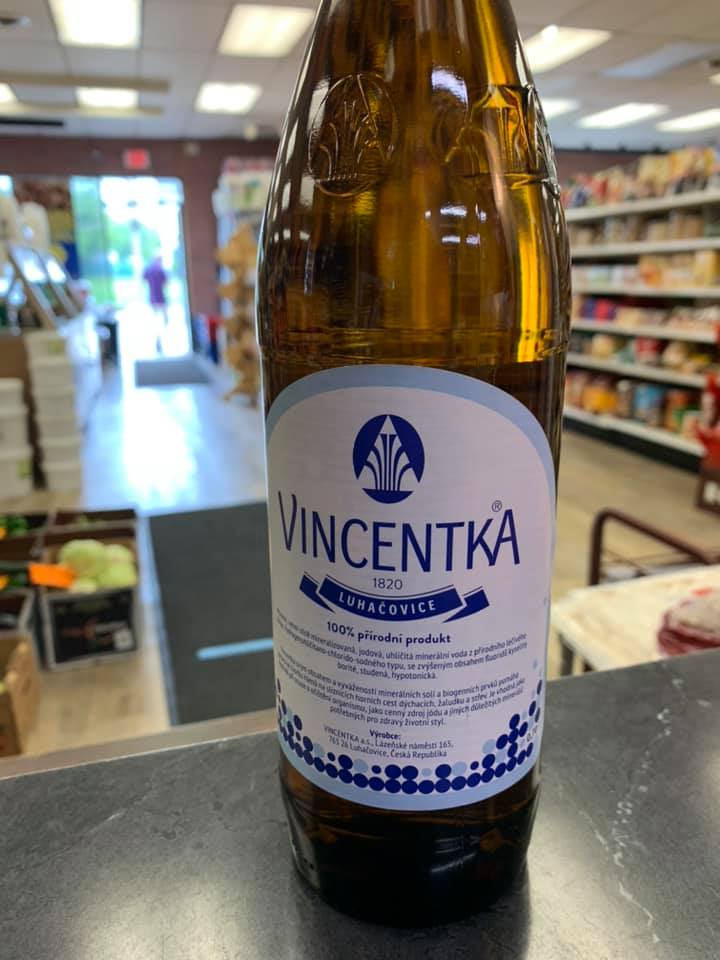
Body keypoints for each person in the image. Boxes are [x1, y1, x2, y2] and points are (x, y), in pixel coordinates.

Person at [142, 253, 169, 352]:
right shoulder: (161, 270)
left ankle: (158, 338)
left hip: (153, 298)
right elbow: (166, 282)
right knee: (163, 320)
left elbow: (143, 279)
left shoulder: (149, 270)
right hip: (160, 298)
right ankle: (159, 338)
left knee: (156, 320)